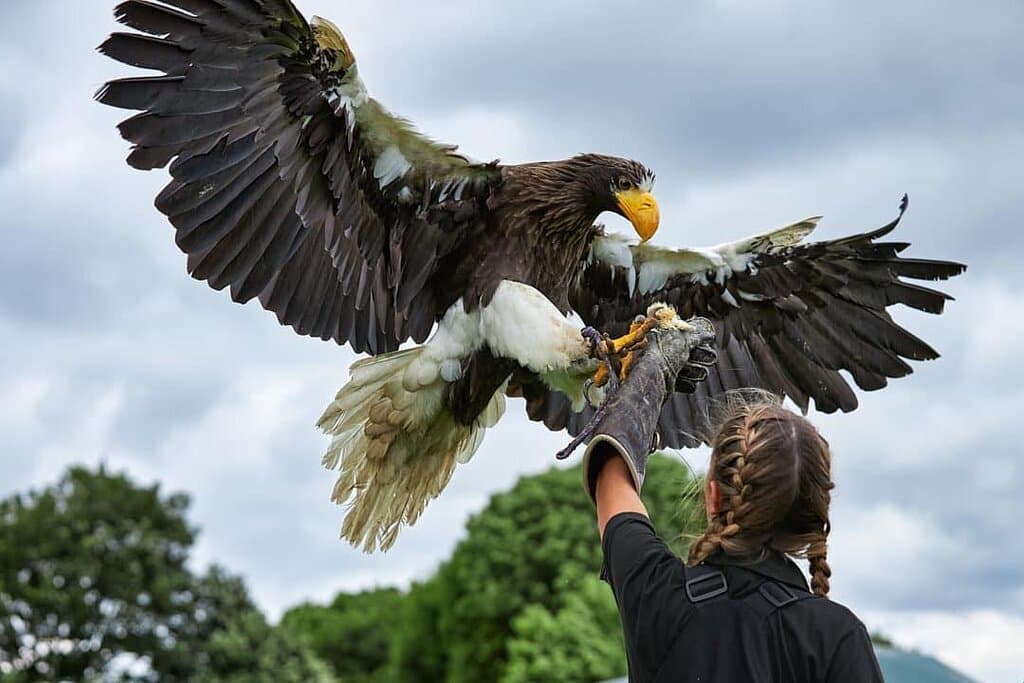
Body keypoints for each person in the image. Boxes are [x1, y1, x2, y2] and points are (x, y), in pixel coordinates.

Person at [581, 318, 884, 682]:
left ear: (712, 496)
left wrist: (652, 374)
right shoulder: (836, 638)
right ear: (815, 516)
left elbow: (611, 475)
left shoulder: (659, 594)